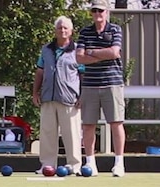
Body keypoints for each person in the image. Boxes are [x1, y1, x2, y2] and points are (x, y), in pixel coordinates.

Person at [75, 0, 126, 177]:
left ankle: (119, 164)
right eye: (94, 10)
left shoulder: (115, 29)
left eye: (101, 10)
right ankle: (90, 164)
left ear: (107, 12)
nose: (98, 13)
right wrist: (102, 54)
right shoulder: (84, 32)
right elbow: (79, 58)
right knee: (88, 125)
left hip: (112, 83)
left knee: (116, 123)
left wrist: (91, 52)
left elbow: (114, 52)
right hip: (90, 85)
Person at [33, 16, 83, 176]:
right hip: (48, 97)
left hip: (70, 99)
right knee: (47, 134)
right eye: (60, 28)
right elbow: (40, 71)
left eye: (65, 28)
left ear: (71, 31)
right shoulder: (46, 49)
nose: (62, 30)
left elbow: (83, 75)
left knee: (72, 134)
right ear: (55, 30)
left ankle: (74, 165)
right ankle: (47, 165)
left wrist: (83, 96)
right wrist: (35, 92)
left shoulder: (78, 51)